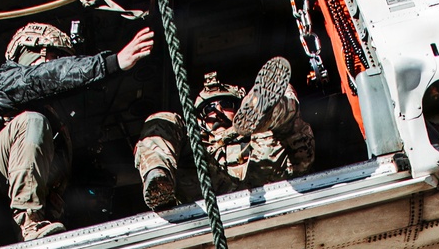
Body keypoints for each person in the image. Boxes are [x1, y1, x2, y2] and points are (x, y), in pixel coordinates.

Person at [0, 20, 155, 242]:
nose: (59, 65)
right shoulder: (4, 82)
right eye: (56, 58)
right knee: (32, 122)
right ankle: (29, 219)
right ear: (36, 54)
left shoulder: (56, 126)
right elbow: (47, 76)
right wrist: (112, 63)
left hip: (9, 208)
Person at [133, 55, 315, 210]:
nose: (217, 111)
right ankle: (159, 179)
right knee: (162, 121)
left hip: (265, 181)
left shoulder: (257, 137)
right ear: (199, 119)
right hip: (211, 193)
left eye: (226, 105)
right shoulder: (194, 148)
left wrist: (254, 123)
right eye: (208, 109)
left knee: (281, 98)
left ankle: (262, 112)